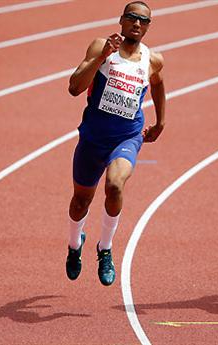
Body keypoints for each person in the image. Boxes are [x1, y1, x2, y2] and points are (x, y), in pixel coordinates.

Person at [65, 1, 165, 286]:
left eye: (143, 20)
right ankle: (75, 245)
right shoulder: (101, 47)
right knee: (80, 202)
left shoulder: (152, 59)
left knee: (115, 185)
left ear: (148, 26)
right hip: (93, 138)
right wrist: (101, 58)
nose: (137, 23)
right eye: (132, 17)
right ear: (121, 20)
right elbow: (74, 88)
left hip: (127, 136)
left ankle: (105, 249)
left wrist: (160, 122)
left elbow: (158, 84)